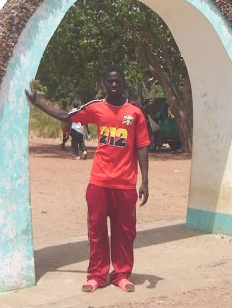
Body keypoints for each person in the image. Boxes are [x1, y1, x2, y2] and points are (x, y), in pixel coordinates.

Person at [25, 65, 150, 294]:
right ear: (104, 83)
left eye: (118, 81)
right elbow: (67, 116)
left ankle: (121, 275)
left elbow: (142, 146)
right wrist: (38, 103)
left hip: (125, 184)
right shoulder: (96, 108)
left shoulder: (135, 112)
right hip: (99, 183)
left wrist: (145, 181)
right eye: (110, 81)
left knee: (125, 231)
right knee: (96, 230)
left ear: (123, 83)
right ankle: (97, 275)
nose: (114, 84)